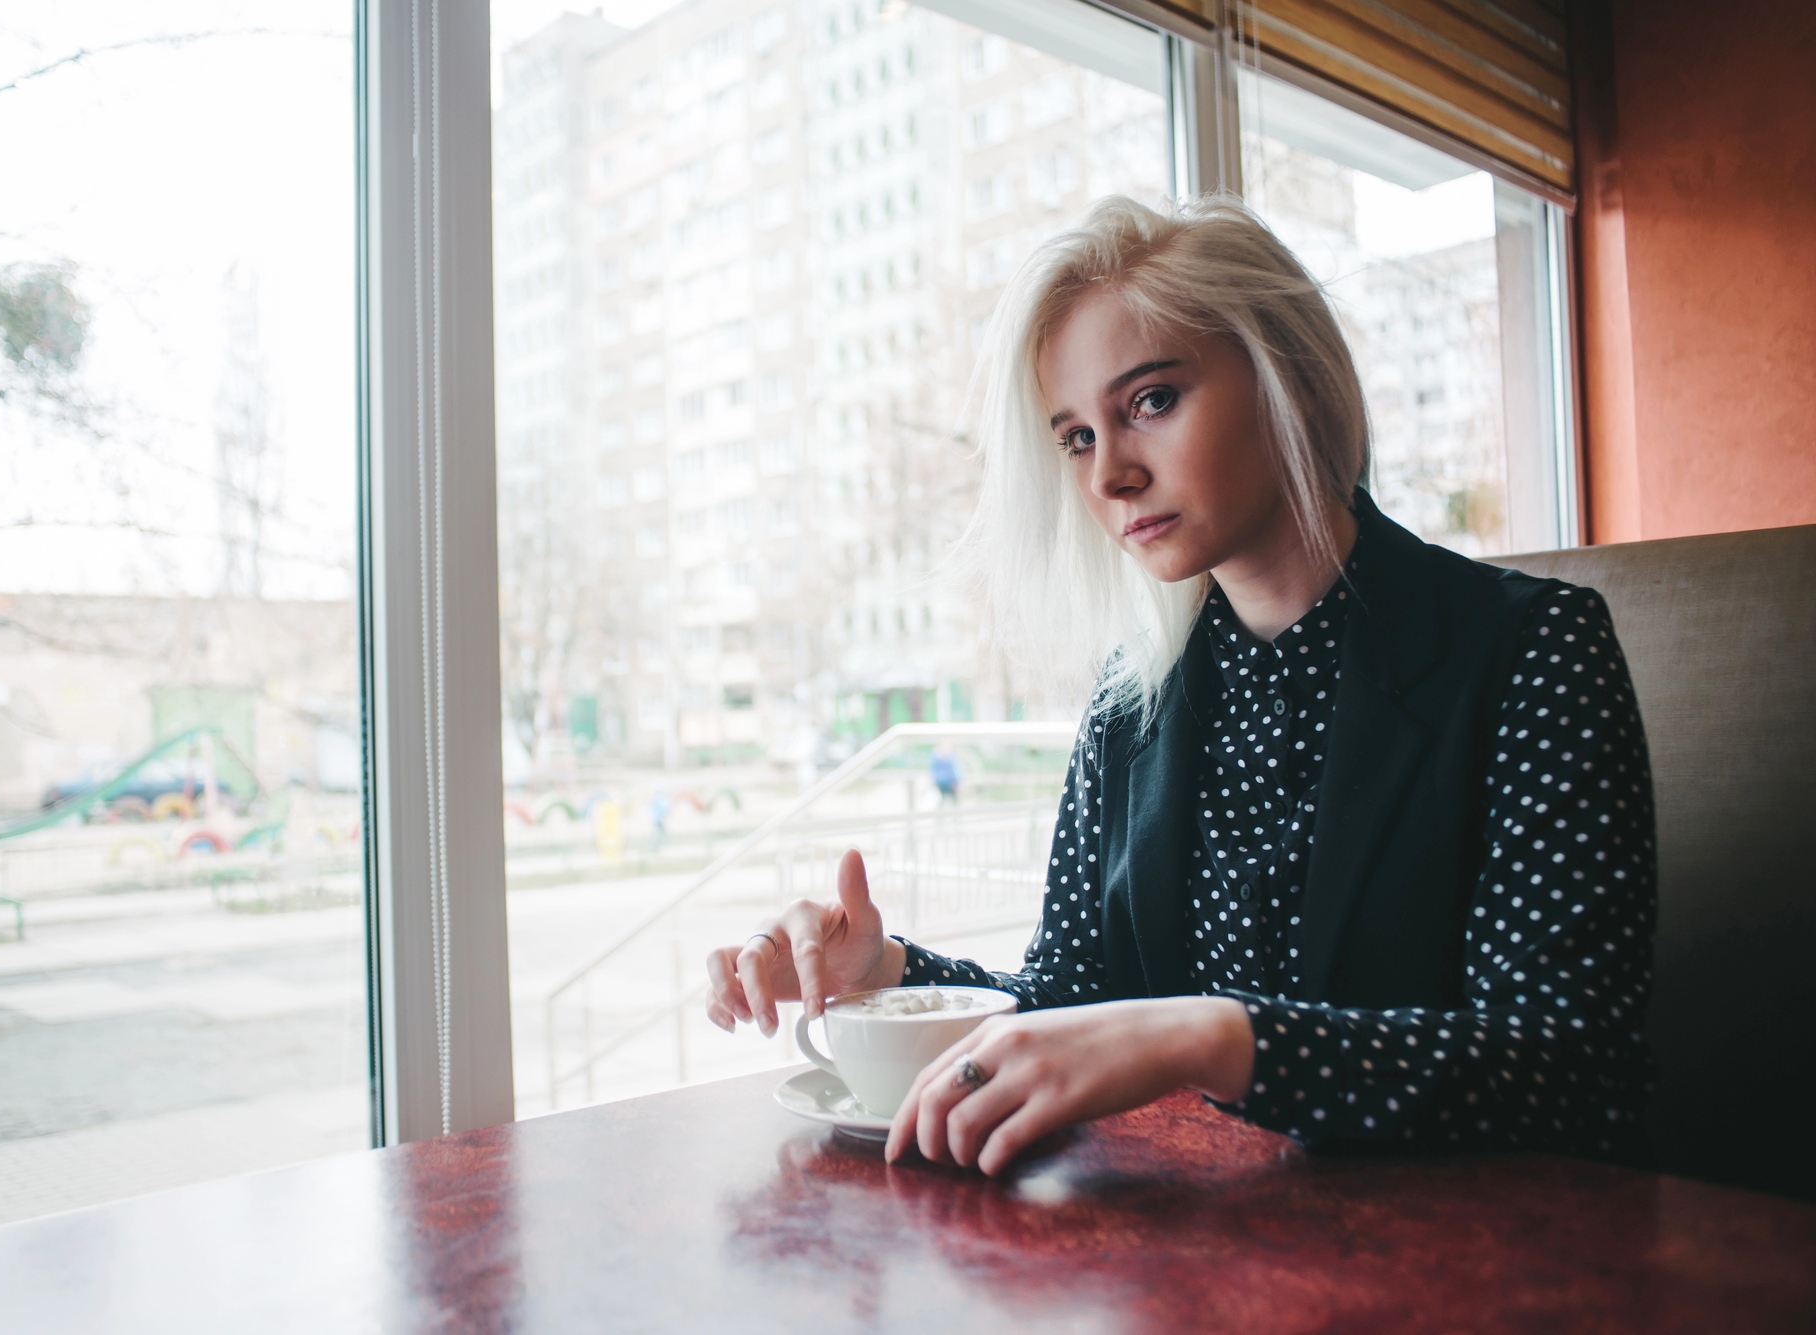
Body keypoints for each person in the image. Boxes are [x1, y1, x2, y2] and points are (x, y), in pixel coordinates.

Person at [703, 196, 1655, 1179]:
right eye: (1074, 436)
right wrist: (890, 977)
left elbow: (1570, 1071)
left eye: (1149, 401)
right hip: (1193, 1259)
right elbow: (1077, 1005)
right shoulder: (1131, 700)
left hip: (1466, 1255)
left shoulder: (1532, 651)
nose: (1109, 473)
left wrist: (1214, 1038)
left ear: (1295, 384)